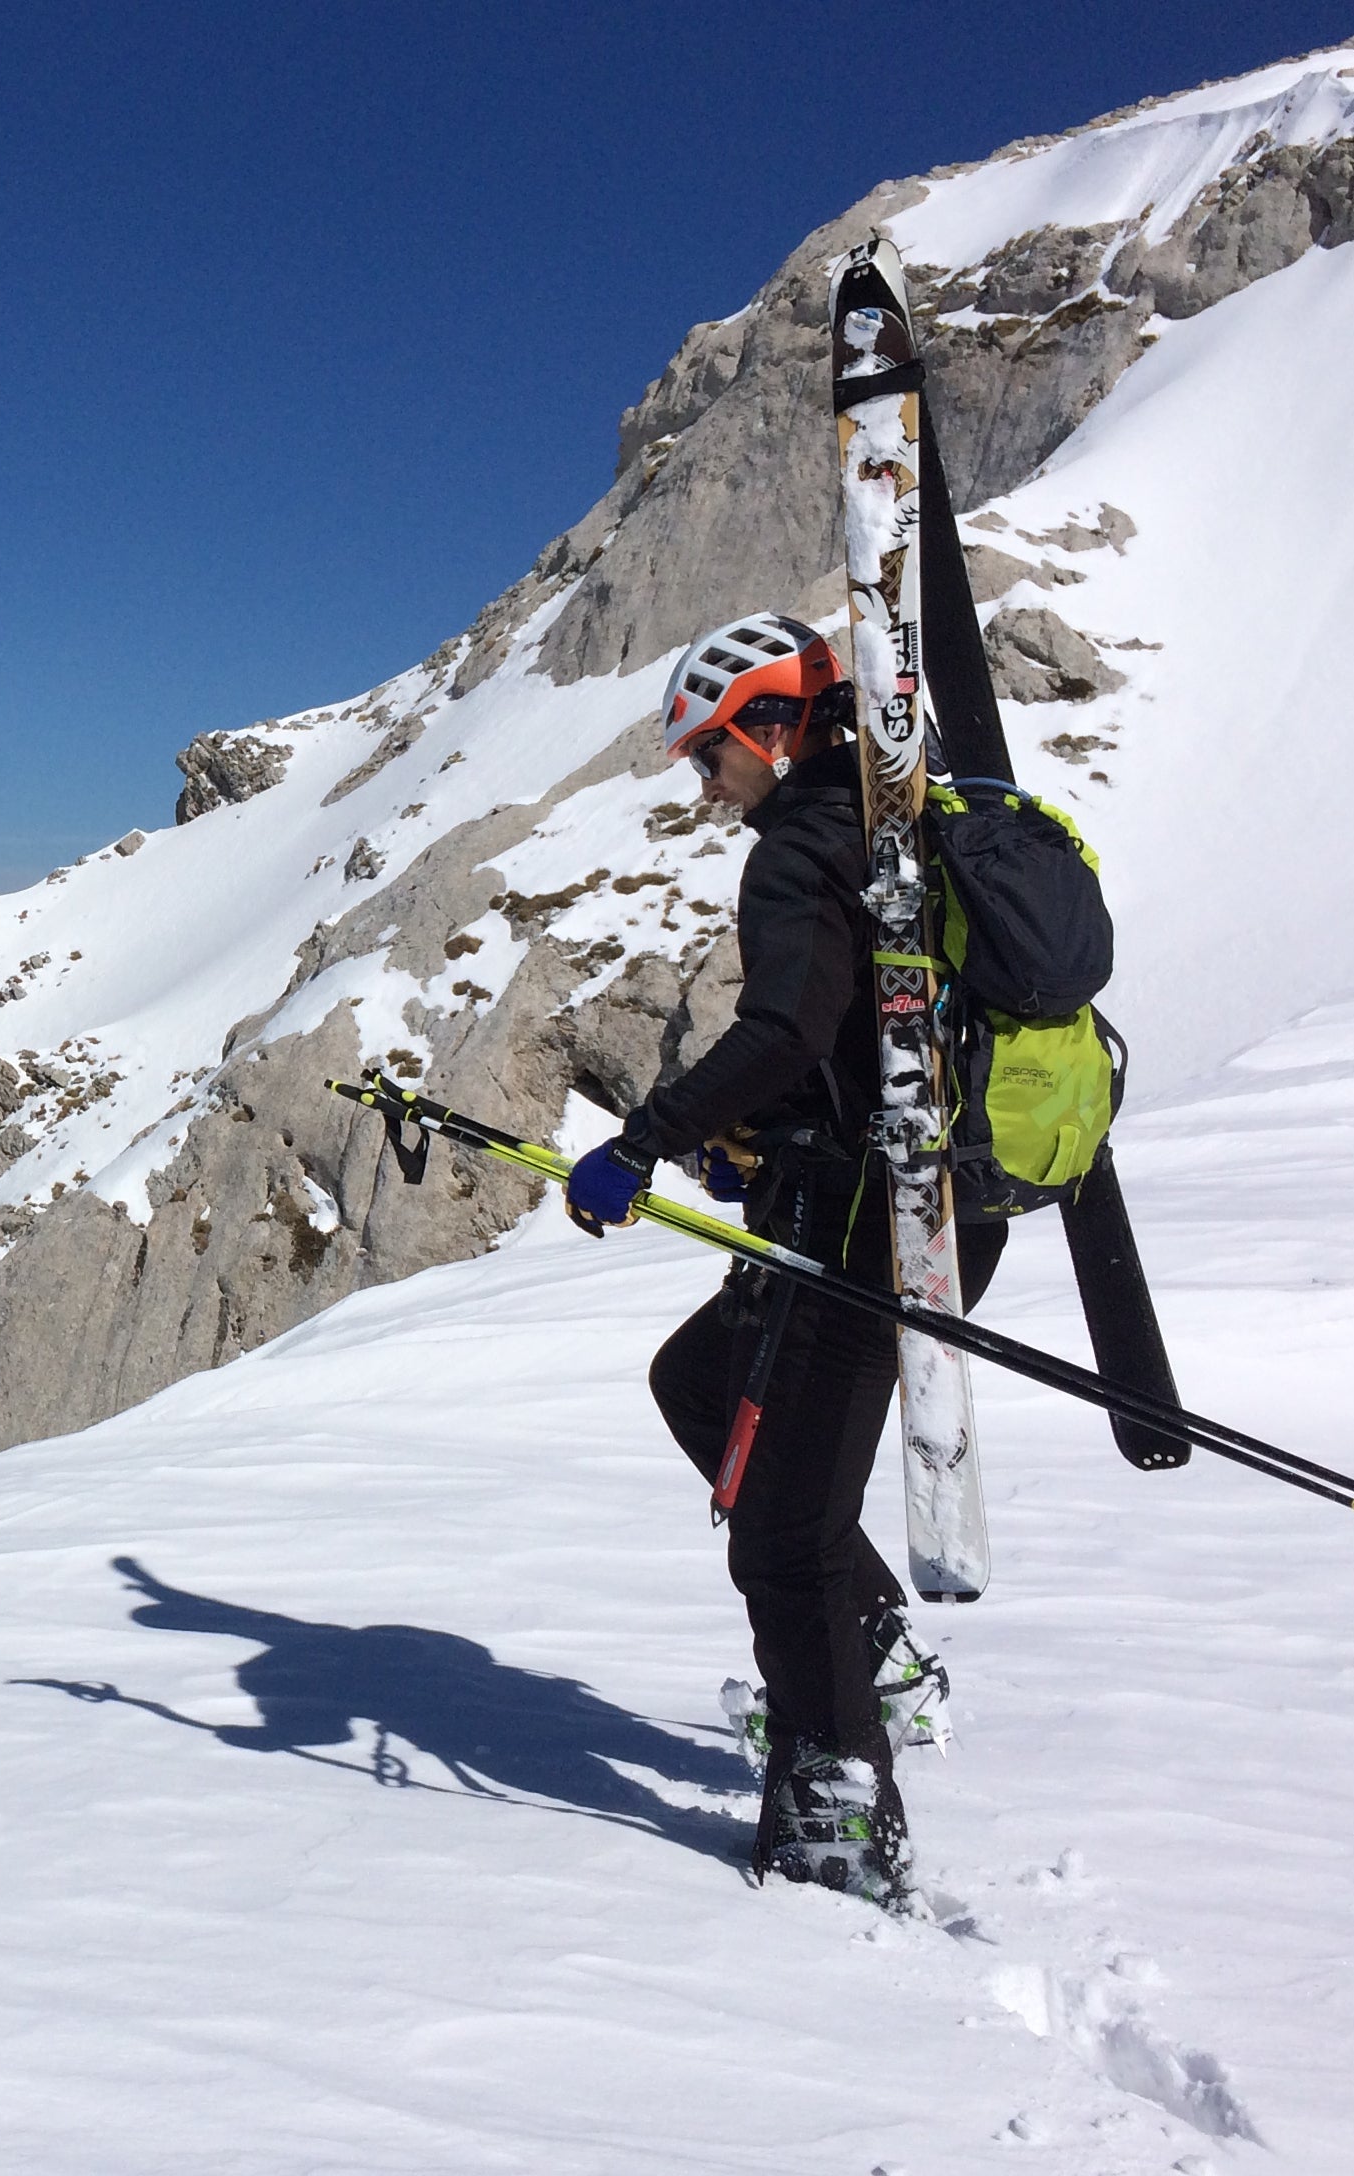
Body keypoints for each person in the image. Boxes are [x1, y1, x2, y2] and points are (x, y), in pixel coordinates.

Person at [554, 610, 1005, 1906]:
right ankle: (866, 1653)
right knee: (704, 1385)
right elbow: (866, 1037)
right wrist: (761, 1144)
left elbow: (789, 1026)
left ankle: (836, 1795)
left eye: (711, 757)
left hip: (878, 1225)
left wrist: (642, 1141)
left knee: (783, 1534)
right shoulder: (888, 828)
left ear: (769, 723)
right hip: (916, 1198)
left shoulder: (805, 847)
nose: (706, 786)